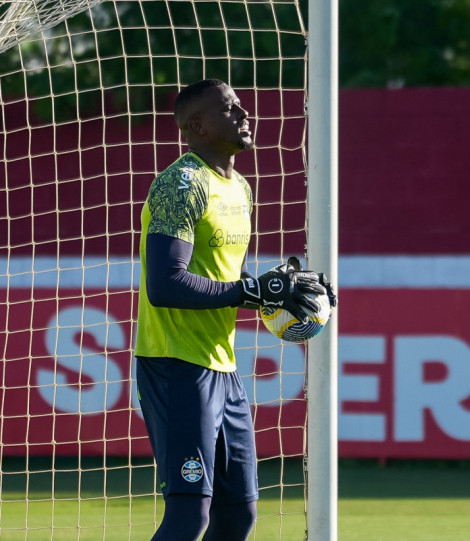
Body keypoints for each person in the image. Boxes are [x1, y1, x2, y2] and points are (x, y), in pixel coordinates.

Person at [134, 79, 335, 541]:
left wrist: (286, 289)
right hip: (175, 363)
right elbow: (166, 284)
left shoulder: (239, 187)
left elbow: (228, 278)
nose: (244, 114)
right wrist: (252, 293)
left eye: (241, 105)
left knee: (238, 516)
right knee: (190, 516)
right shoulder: (180, 185)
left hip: (222, 367)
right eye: (229, 109)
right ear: (199, 126)